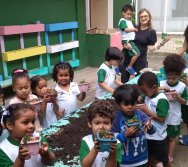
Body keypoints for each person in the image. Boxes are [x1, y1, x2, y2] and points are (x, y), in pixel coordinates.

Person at [111, 84, 156, 167]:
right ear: (118, 104)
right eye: (126, 104)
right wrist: (125, 134)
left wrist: (150, 127)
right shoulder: (117, 118)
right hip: (125, 161)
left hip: (142, 158)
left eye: (133, 104)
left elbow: (152, 130)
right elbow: (113, 138)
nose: (130, 107)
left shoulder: (140, 114)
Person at [121, 8, 169, 83]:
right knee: (124, 81)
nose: (143, 18)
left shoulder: (151, 32)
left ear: (149, 17)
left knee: (141, 82)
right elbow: (124, 37)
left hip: (140, 61)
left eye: (145, 16)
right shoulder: (133, 28)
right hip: (128, 57)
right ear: (139, 18)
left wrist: (162, 43)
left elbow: (150, 49)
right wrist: (124, 45)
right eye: (141, 17)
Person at [137, 71, 170, 167]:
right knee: (149, 156)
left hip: (158, 137)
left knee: (163, 159)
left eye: (144, 91)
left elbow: (161, 118)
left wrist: (146, 111)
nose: (143, 94)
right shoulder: (149, 95)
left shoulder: (161, 100)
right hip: (148, 135)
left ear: (154, 87)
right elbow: (142, 97)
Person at [160, 54, 187, 162]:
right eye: (168, 77)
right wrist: (160, 89)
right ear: (165, 74)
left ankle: (170, 156)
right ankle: (162, 154)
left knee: (172, 137)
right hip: (161, 116)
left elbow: (185, 101)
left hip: (174, 117)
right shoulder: (161, 84)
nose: (171, 80)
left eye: (174, 78)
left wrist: (178, 97)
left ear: (179, 75)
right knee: (163, 137)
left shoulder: (182, 86)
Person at [79, 99, 122, 167]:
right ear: (90, 123)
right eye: (97, 123)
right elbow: (85, 165)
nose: (101, 127)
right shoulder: (86, 141)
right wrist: (95, 149)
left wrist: (113, 152)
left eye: (106, 123)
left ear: (111, 124)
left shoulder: (117, 143)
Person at [119, 4, 140, 75]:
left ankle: (116, 66)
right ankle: (130, 67)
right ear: (123, 13)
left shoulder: (129, 21)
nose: (129, 16)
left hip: (128, 40)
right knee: (137, 53)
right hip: (127, 41)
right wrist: (134, 29)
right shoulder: (122, 21)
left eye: (131, 15)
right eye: (128, 14)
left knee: (121, 56)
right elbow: (125, 29)